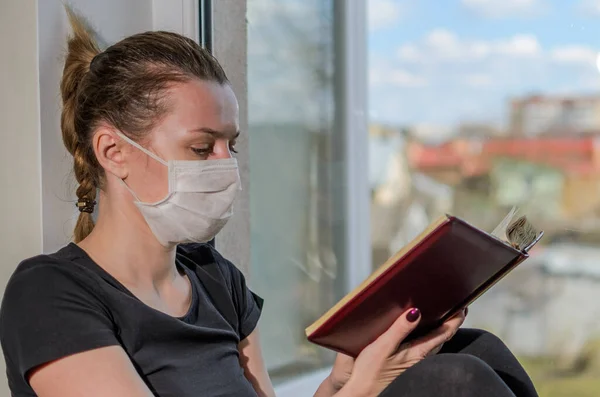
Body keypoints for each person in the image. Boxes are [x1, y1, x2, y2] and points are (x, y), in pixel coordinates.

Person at [0, 7, 539, 397]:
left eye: (229, 145)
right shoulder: (50, 295)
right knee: (456, 382)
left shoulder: (216, 279)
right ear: (114, 151)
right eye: (199, 146)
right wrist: (367, 388)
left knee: (475, 349)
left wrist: (341, 381)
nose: (224, 164)